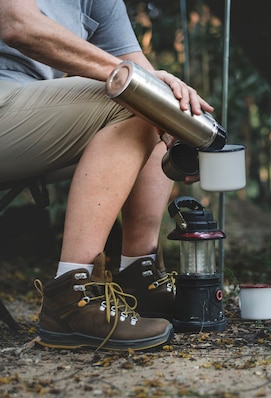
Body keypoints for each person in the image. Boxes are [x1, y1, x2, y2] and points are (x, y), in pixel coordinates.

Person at [0, 1, 211, 351]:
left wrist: (185, 130)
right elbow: (18, 25)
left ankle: (138, 278)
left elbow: (141, 73)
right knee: (135, 97)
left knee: (160, 107)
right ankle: (70, 298)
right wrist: (136, 83)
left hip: (22, 117)